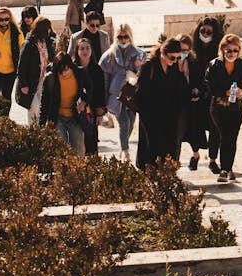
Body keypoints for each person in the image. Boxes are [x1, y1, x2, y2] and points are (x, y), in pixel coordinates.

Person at [205, 34, 242, 184]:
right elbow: (209, 85)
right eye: (228, 51)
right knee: (225, 135)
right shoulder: (214, 65)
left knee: (232, 137)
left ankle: (228, 168)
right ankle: (225, 169)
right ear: (222, 50)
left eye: (235, 50)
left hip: (236, 108)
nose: (231, 53)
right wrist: (223, 92)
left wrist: (241, 92)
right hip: (219, 107)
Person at [135, 38, 189, 170]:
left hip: (169, 118)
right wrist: (146, 118)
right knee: (151, 150)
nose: (174, 61)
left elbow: (181, 90)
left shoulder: (175, 68)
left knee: (169, 151)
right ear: (163, 53)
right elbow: (140, 95)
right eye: (172, 57)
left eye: (177, 57)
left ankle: (166, 179)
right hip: (151, 117)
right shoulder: (149, 67)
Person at [100, 23, 143, 162]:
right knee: (124, 123)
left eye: (125, 37)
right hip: (116, 96)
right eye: (120, 37)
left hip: (132, 95)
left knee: (130, 124)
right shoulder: (109, 56)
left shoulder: (138, 54)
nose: (123, 40)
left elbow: (144, 76)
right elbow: (104, 79)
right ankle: (125, 150)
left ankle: (123, 146)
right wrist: (105, 100)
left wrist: (138, 67)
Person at [39, 50, 89, 156]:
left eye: (66, 70)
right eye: (61, 71)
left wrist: (84, 102)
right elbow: (44, 103)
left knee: (78, 150)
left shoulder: (80, 73)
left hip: (75, 117)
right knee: (61, 150)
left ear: (70, 66)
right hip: (58, 117)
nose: (64, 73)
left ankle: (77, 171)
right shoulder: (50, 78)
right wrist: (41, 126)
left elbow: (91, 89)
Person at [192, 16, 225, 172]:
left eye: (208, 32)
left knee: (214, 129)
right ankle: (195, 155)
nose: (205, 34)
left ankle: (212, 160)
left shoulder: (220, 53)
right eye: (202, 30)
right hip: (197, 96)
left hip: (213, 95)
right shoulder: (194, 50)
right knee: (195, 127)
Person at [16, 16, 56, 127]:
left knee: (43, 107)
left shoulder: (47, 42)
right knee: (34, 107)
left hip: (45, 80)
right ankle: (33, 131)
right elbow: (21, 66)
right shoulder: (28, 44)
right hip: (32, 81)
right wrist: (23, 84)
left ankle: (41, 130)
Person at [70, 35, 107, 155]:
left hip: (91, 112)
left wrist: (100, 113)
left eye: (87, 48)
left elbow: (100, 92)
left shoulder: (97, 70)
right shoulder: (72, 69)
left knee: (91, 142)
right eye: (82, 48)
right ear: (77, 51)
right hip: (75, 110)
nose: (85, 51)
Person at [177, 34, 208, 171]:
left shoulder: (194, 62)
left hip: (192, 103)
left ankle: (195, 155)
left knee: (193, 132)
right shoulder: (172, 61)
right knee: (177, 134)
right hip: (177, 103)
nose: (183, 53)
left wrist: (197, 91)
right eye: (181, 50)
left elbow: (201, 81)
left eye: (186, 50)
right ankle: (174, 162)